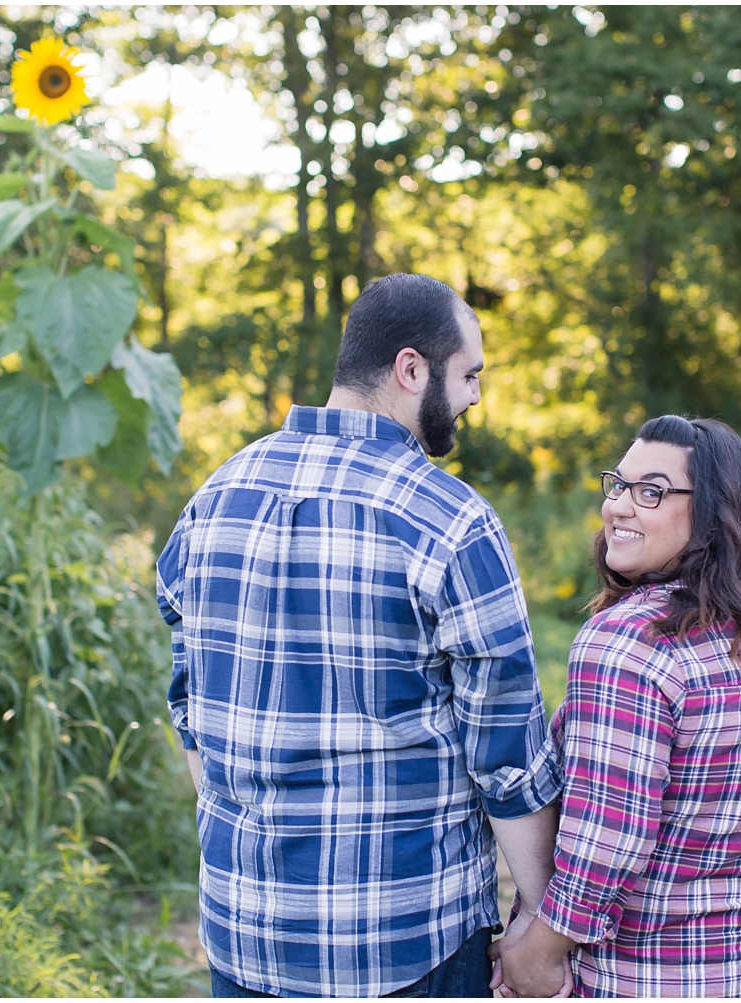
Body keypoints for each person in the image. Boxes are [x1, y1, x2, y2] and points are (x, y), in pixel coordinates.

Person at [156, 273, 563, 998]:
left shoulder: (213, 499)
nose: (474, 395)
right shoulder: (451, 521)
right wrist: (538, 915)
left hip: (246, 939)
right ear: (412, 369)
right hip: (405, 949)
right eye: (469, 374)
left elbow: (192, 716)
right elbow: (507, 751)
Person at [491, 415, 741, 998]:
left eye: (651, 491)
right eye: (618, 486)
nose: (619, 508)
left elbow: (609, 834)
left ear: (713, 512)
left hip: (647, 975)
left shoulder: (633, 642)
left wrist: (542, 947)